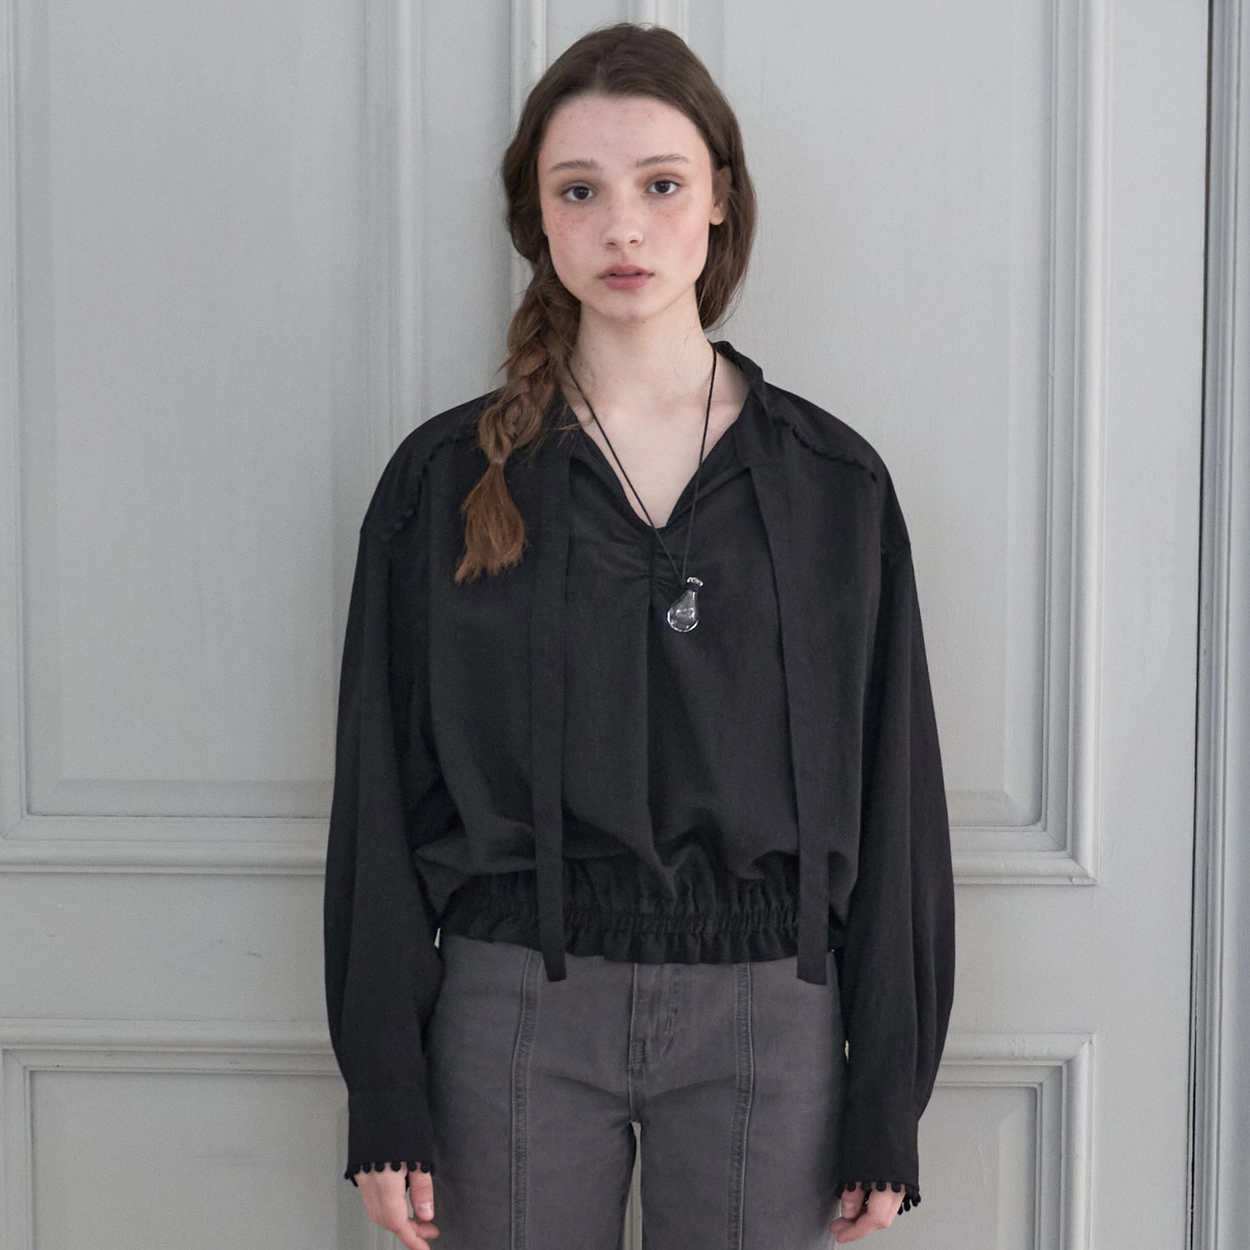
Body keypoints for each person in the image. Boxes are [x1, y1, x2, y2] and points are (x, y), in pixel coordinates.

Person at [323, 21, 954, 1250]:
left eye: (660, 184)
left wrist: (887, 1093)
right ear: (537, 218)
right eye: (580, 190)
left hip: (769, 1017)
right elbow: (380, 798)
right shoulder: (444, 480)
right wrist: (385, 1089)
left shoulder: (831, 485)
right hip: (512, 1009)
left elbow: (895, 801)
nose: (623, 227)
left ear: (718, 197)